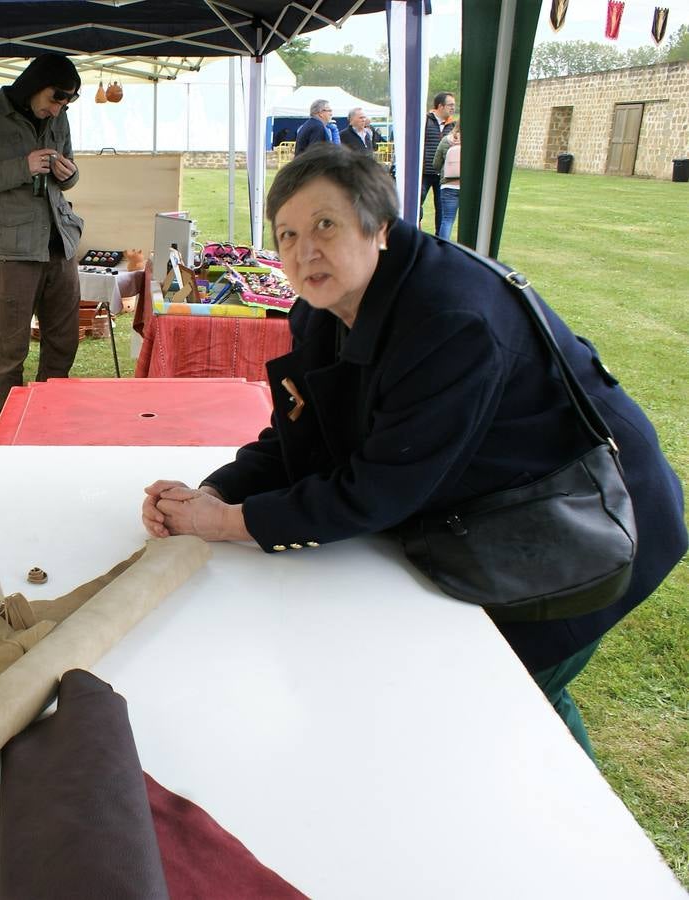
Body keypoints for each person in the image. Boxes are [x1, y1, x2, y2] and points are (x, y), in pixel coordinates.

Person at [141, 144, 686, 760]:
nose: (304, 251)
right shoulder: (322, 309)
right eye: (287, 234)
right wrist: (216, 490)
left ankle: (580, 838)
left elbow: (377, 489)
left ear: (379, 227)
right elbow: (301, 436)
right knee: (481, 690)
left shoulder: (450, 318)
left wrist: (226, 524)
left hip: (584, 514)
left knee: (513, 691)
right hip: (487, 501)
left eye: (325, 224)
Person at [0, 53, 85, 419]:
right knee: (12, 345)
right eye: (57, 97)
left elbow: (71, 175)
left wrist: (68, 172)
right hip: (17, 249)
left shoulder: (59, 118)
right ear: (35, 84)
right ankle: (4, 422)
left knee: (62, 341)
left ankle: (48, 414)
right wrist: (23, 167)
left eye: (68, 100)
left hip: (60, 243)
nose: (59, 108)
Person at [420, 91, 456, 233]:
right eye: (450, 105)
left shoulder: (453, 126)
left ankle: (439, 241)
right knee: (417, 206)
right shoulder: (425, 121)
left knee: (441, 210)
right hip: (424, 173)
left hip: (442, 175)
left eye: (454, 105)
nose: (453, 108)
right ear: (440, 106)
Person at [433, 123, 462, 240]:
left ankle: (443, 248)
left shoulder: (446, 140)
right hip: (467, 186)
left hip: (448, 185)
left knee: (447, 219)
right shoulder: (473, 141)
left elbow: (436, 164)